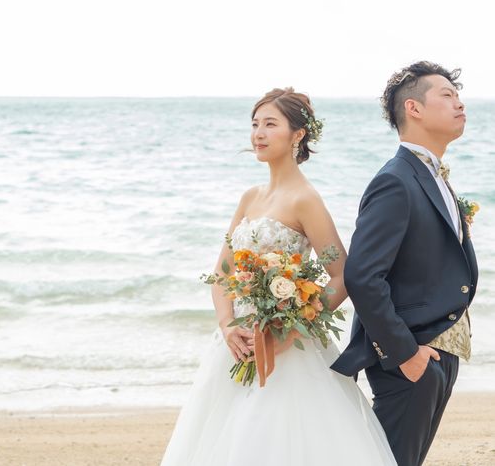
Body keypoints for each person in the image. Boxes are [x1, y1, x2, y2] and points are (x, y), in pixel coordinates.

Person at [161, 88, 396, 466]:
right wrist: (227, 326)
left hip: (288, 346)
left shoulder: (306, 199)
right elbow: (223, 273)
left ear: (297, 134)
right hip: (238, 342)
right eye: (255, 124)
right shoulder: (249, 197)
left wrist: (292, 328)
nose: (259, 133)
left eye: (270, 124)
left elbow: (342, 275)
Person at [331, 62, 479, 466]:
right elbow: (363, 275)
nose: (460, 104)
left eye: (459, 96)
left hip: (439, 353)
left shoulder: (434, 177)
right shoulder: (395, 180)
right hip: (411, 356)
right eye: (447, 95)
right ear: (413, 108)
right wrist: (404, 354)